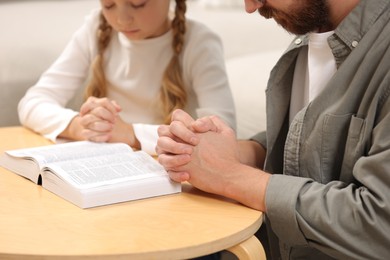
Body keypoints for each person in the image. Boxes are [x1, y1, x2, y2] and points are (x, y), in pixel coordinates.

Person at [156, 0, 390, 259]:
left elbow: (380, 222)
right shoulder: (311, 29)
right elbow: (321, 143)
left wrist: (231, 176)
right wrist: (240, 152)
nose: (250, 7)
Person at [18, 0, 236, 155]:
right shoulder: (95, 28)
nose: (122, 19)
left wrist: (131, 133)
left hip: (168, 171)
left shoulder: (199, 43)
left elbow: (223, 135)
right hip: (106, 164)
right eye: (109, 5)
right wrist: (79, 126)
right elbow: (32, 103)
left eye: (138, 3)